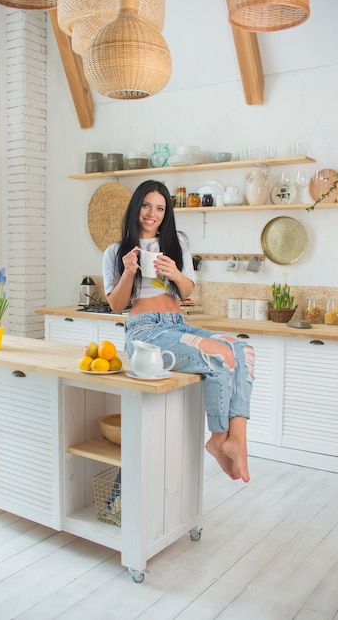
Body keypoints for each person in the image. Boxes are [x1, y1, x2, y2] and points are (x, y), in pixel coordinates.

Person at [102, 180, 254, 482]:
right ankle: (218, 437)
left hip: (176, 326)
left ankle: (237, 441)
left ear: (166, 213)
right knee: (220, 355)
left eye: (160, 208)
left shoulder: (178, 242)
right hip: (144, 333)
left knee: (242, 350)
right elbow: (116, 305)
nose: (152, 213)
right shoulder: (116, 251)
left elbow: (187, 290)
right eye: (146, 205)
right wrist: (129, 270)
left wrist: (174, 273)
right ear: (136, 206)